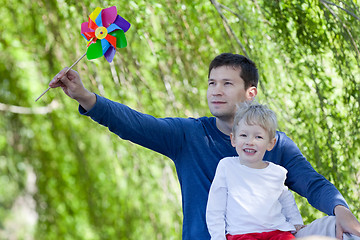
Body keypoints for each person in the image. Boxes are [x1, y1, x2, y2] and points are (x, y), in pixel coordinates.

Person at [48, 53, 360, 240]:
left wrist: (341, 209)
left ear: (250, 93)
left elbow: (314, 184)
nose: (216, 91)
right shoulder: (188, 135)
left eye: (227, 83)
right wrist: (84, 96)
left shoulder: (275, 143)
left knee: (340, 229)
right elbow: (135, 123)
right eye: (212, 83)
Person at [206, 102, 304, 240]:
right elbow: (215, 208)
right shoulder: (227, 167)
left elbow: (287, 200)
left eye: (258, 137)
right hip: (241, 233)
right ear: (233, 139)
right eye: (244, 135)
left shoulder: (277, 172)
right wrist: (217, 237)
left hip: (276, 231)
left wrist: (296, 222)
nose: (250, 142)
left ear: (270, 143)